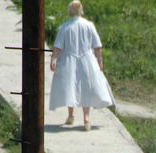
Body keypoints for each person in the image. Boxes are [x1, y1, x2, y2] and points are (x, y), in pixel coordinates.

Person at [49, 1, 115, 131]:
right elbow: (97, 46)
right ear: (81, 11)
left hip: (69, 60)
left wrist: (54, 59)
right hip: (87, 60)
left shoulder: (64, 27)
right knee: (86, 88)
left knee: (70, 87)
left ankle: (71, 115)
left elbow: (58, 47)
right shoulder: (89, 25)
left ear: (69, 12)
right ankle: (86, 117)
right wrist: (100, 61)